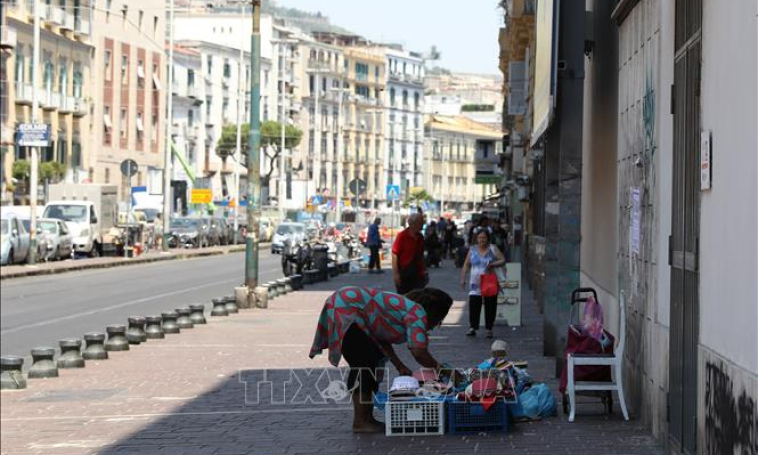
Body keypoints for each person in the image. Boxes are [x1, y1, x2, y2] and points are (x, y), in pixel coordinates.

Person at [309, 286, 454, 433]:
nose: (435, 326)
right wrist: (446, 371)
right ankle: (360, 421)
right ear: (435, 313)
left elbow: (381, 339)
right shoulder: (417, 312)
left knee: (372, 360)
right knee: (363, 365)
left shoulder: (405, 308)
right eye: (439, 320)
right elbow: (419, 352)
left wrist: (399, 365)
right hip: (346, 308)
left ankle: (366, 418)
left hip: (346, 304)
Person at [460, 227, 506, 338]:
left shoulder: (493, 249)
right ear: (476, 239)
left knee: (490, 305)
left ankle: (489, 329)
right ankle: (473, 327)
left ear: (488, 239)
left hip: (489, 282)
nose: (481, 240)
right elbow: (466, 264)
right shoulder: (472, 250)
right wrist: (463, 278)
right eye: (479, 237)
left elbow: (503, 260)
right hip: (475, 284)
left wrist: (493, 264)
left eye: (484, 238)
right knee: (474, 305)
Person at [392, 213, 427, 294]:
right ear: (414, 224)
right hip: (404, 273)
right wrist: (396, 274)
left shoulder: (420, 237)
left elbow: (421, 256)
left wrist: (424, 270)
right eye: (421, 222)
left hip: (417, 273)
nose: (423, 224)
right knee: (404, 298)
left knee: (417, 297)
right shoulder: (402, 236)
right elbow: (394, 255)